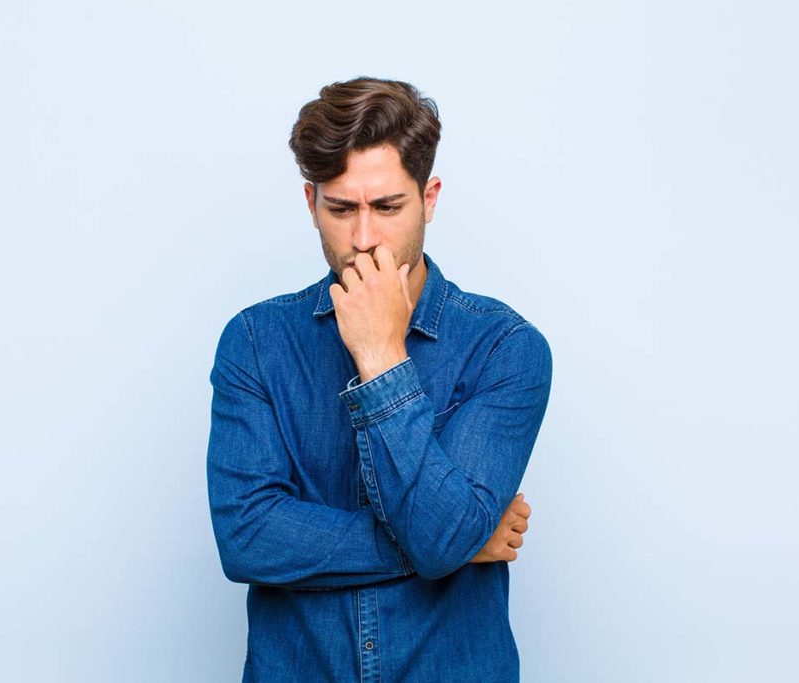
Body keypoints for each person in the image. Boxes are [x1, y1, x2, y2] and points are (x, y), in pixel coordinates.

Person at [206, 77, 552, 683]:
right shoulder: (256, 343)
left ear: (430, 198)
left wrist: (383, 358)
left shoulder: (506, 350)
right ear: (311, 202)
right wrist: (462, 542)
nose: (364, 238)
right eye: (341, 209)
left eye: (388, 207)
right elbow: (247, 536)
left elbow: (441, 538)